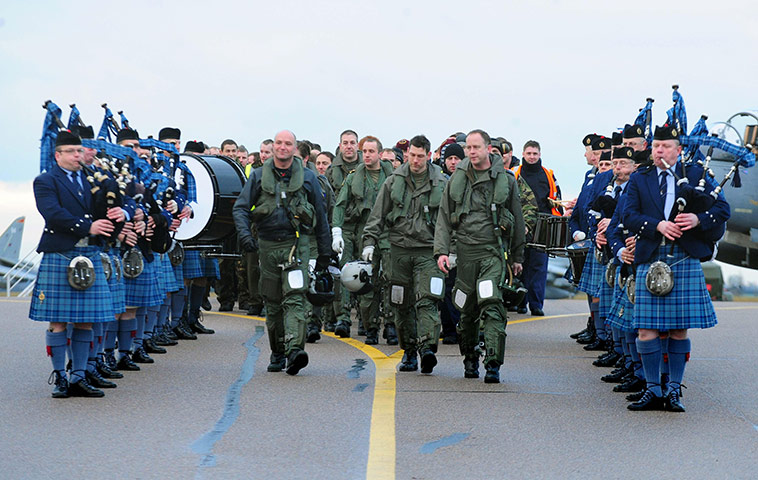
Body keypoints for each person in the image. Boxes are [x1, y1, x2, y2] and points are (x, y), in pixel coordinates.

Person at [623, 125, 729, 412]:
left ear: (678, 150)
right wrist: (657, 224)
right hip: (651, 255)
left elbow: (722, 209)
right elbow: (627, 214)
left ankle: (673, 390)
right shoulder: (640, 178)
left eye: (665, 146)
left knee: (679, 330)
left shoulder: (695, 175)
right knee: (646, 331)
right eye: (656, 145)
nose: (659, 151)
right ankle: (652, 389)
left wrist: (697, 218)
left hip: (683, 256)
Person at [30, 130, 123, 397]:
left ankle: (79, 376)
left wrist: (123, 211)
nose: (77, 156)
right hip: (60, 253)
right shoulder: (46, 181)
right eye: (71, 152)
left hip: (90, 255)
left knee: (86, 321)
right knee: (58, 321)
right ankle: (60, 376)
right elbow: (53, 214)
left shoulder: (92, 179)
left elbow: (114, 202)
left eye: (79, 151)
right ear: (57, 154)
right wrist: (88, 226)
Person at [233, 130, 331, 375]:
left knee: (295, 297)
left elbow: (321, 217)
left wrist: (325, 254)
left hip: (296, 245)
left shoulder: (308, 178)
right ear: (273, 147)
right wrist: (245, 237)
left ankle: (295, 350)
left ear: (295, 148)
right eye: (279, 143)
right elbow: (240, 209)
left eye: (288, 144)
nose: (283, 147)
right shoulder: (257, 177)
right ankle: (277, 352)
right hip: (266, 246)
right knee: (273, 303)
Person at [434, 129, 525, 383]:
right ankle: (470, 358)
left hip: (492, 252)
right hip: (465, 253)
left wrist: (517, 257)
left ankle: (493, 362)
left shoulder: (506, 180)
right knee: (466, 309)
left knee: (492, 302)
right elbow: (443, 216)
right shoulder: (457, 179)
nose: (472, 152)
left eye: (476, 147)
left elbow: (517, 219)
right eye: (468, 148)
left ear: (488, 149)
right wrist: (441, 251)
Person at [363, 135, 446, 369]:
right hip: (398, 251)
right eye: (412, 155)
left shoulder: (442, 183)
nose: (416, 160)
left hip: (428, 251)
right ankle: (409, 351)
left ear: (429, 156)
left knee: (427, 300)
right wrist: (369, 242)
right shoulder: (393, 182)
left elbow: (450, 221)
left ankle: (427, 348)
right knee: (400, 301)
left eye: (421, 156)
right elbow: (377, 215)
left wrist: (451, 250)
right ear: (407, 153)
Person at [331, 135, 395, 341]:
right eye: (364, 151)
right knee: (366, 279)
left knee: (391, 279)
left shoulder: (393, 178)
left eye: (371, 151)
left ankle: (391, 323)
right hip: (363, 232)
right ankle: (371, 326)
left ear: (379, 154)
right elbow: (340, 204)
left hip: (387, 233)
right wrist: (337, 231)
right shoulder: (354, 177)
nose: (367, 155)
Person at [512, 140, 562, 316]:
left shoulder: (548, 174)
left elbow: (557, 198)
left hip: (543, 225)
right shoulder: (515, 174)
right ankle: (520, 301)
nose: (532, 157)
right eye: (529, 153)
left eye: (535, 153)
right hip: (521, 225)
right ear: (523, 154)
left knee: (539, 266)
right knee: (520, 263)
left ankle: (536, 304)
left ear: (540, 154)